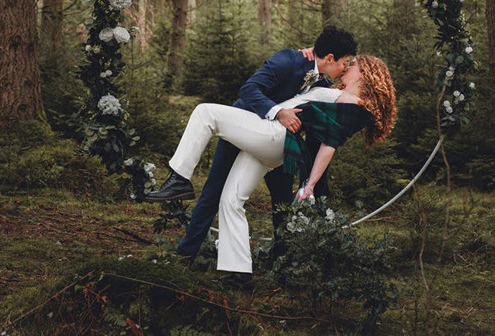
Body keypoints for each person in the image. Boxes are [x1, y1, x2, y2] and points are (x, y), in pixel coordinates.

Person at [154, 55, 397, 290]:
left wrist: (310, 184)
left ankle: (179, 179)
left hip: (275, 134)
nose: (347, 67)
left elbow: (329, 143)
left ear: (365, 74)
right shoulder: (339, 93)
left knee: (205, 112)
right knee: (231, 199)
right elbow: (317, 73)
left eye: (352, 65)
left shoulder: (354, 104)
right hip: (273, 143)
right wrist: (310, 56)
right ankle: (240, 275)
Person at [145, 26, 358, 264]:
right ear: (329, 58)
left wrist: (315, 185)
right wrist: (279, 113)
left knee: (282, 202)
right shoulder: (288, 60)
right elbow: (248, 90)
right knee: (213, 193)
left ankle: (284, 263)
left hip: (277, 144)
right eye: (344, 62)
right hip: (242, 129)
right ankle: (185, 255)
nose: (345, 69)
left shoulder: (323, 85)